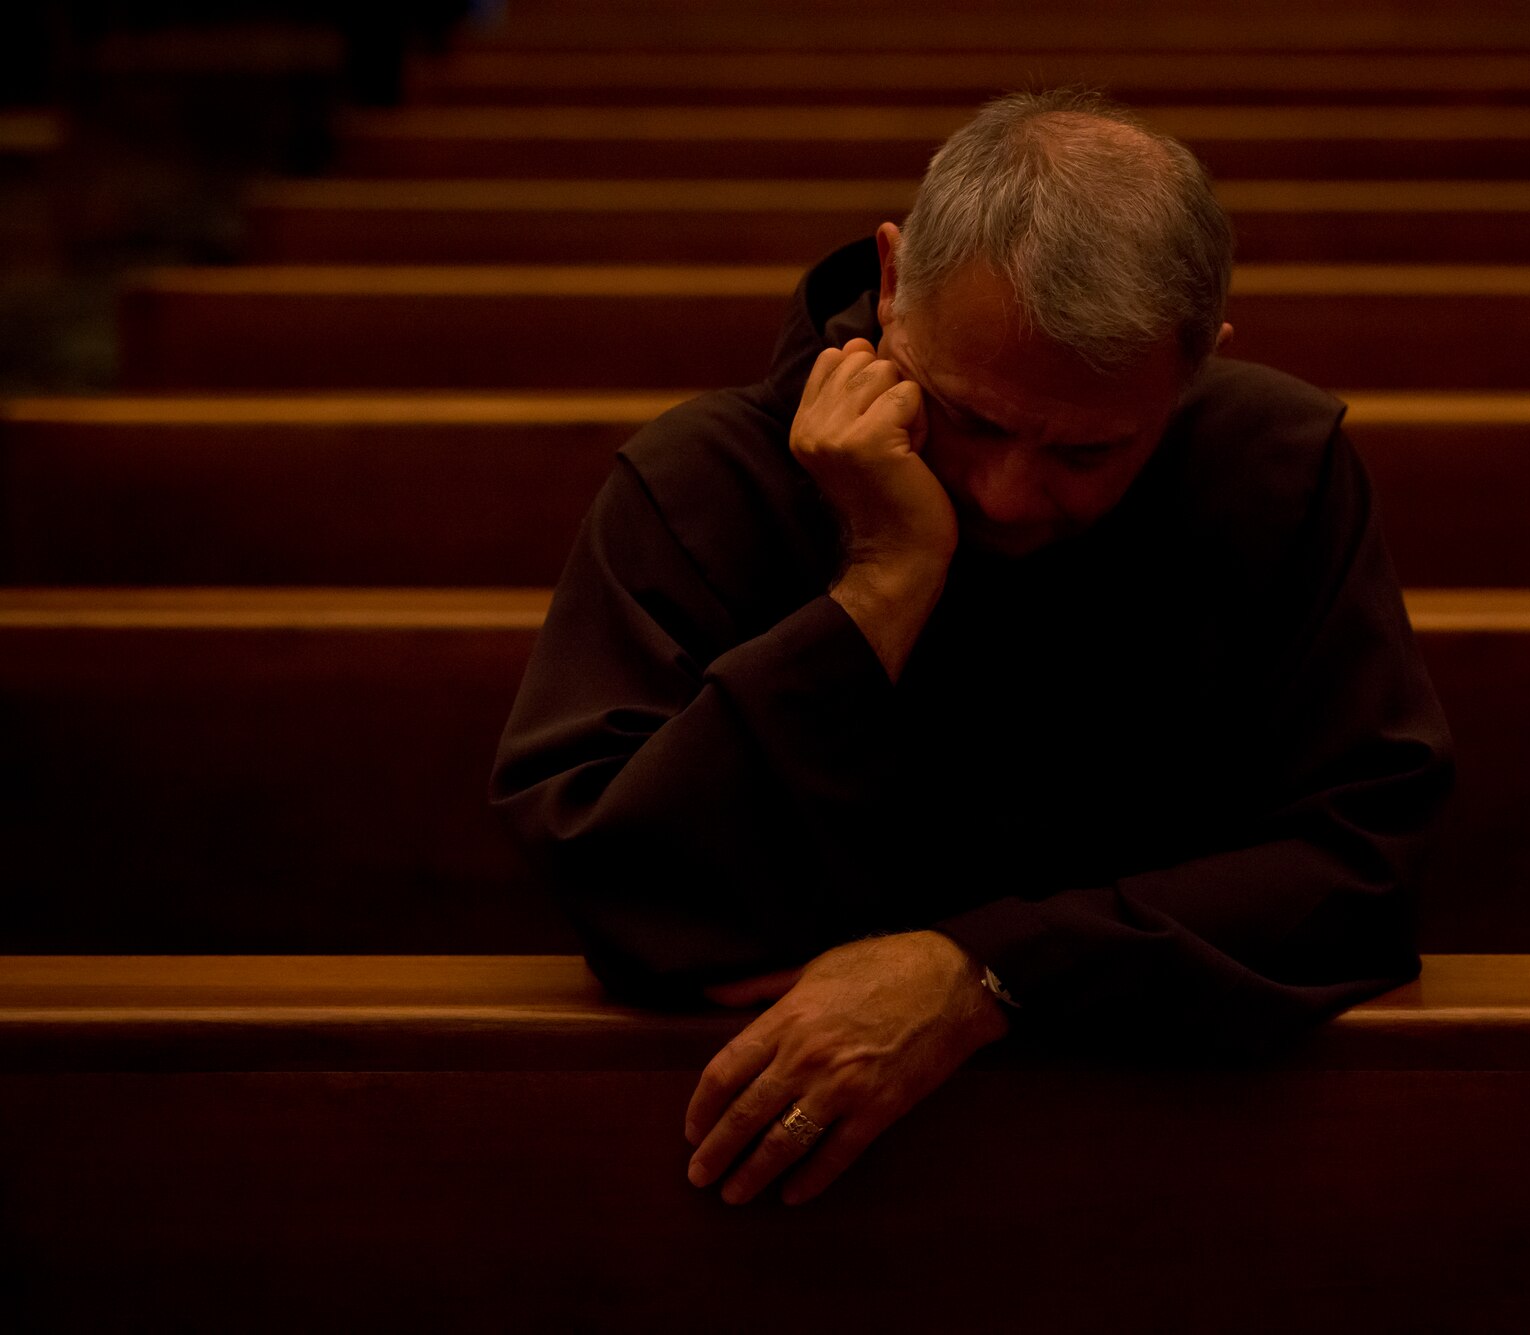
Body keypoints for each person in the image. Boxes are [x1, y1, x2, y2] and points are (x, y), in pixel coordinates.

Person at [488, 89, 1454, 1210]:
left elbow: (1363, 868)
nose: (1007, 493)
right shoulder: (701, 480)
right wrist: (881, 583)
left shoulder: (1270, 467)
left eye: (1086, 452)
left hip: (1191, 1166)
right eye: (973, 419)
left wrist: (979, 972)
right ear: (893, 284)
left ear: (1195, 367)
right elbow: (634, 900)